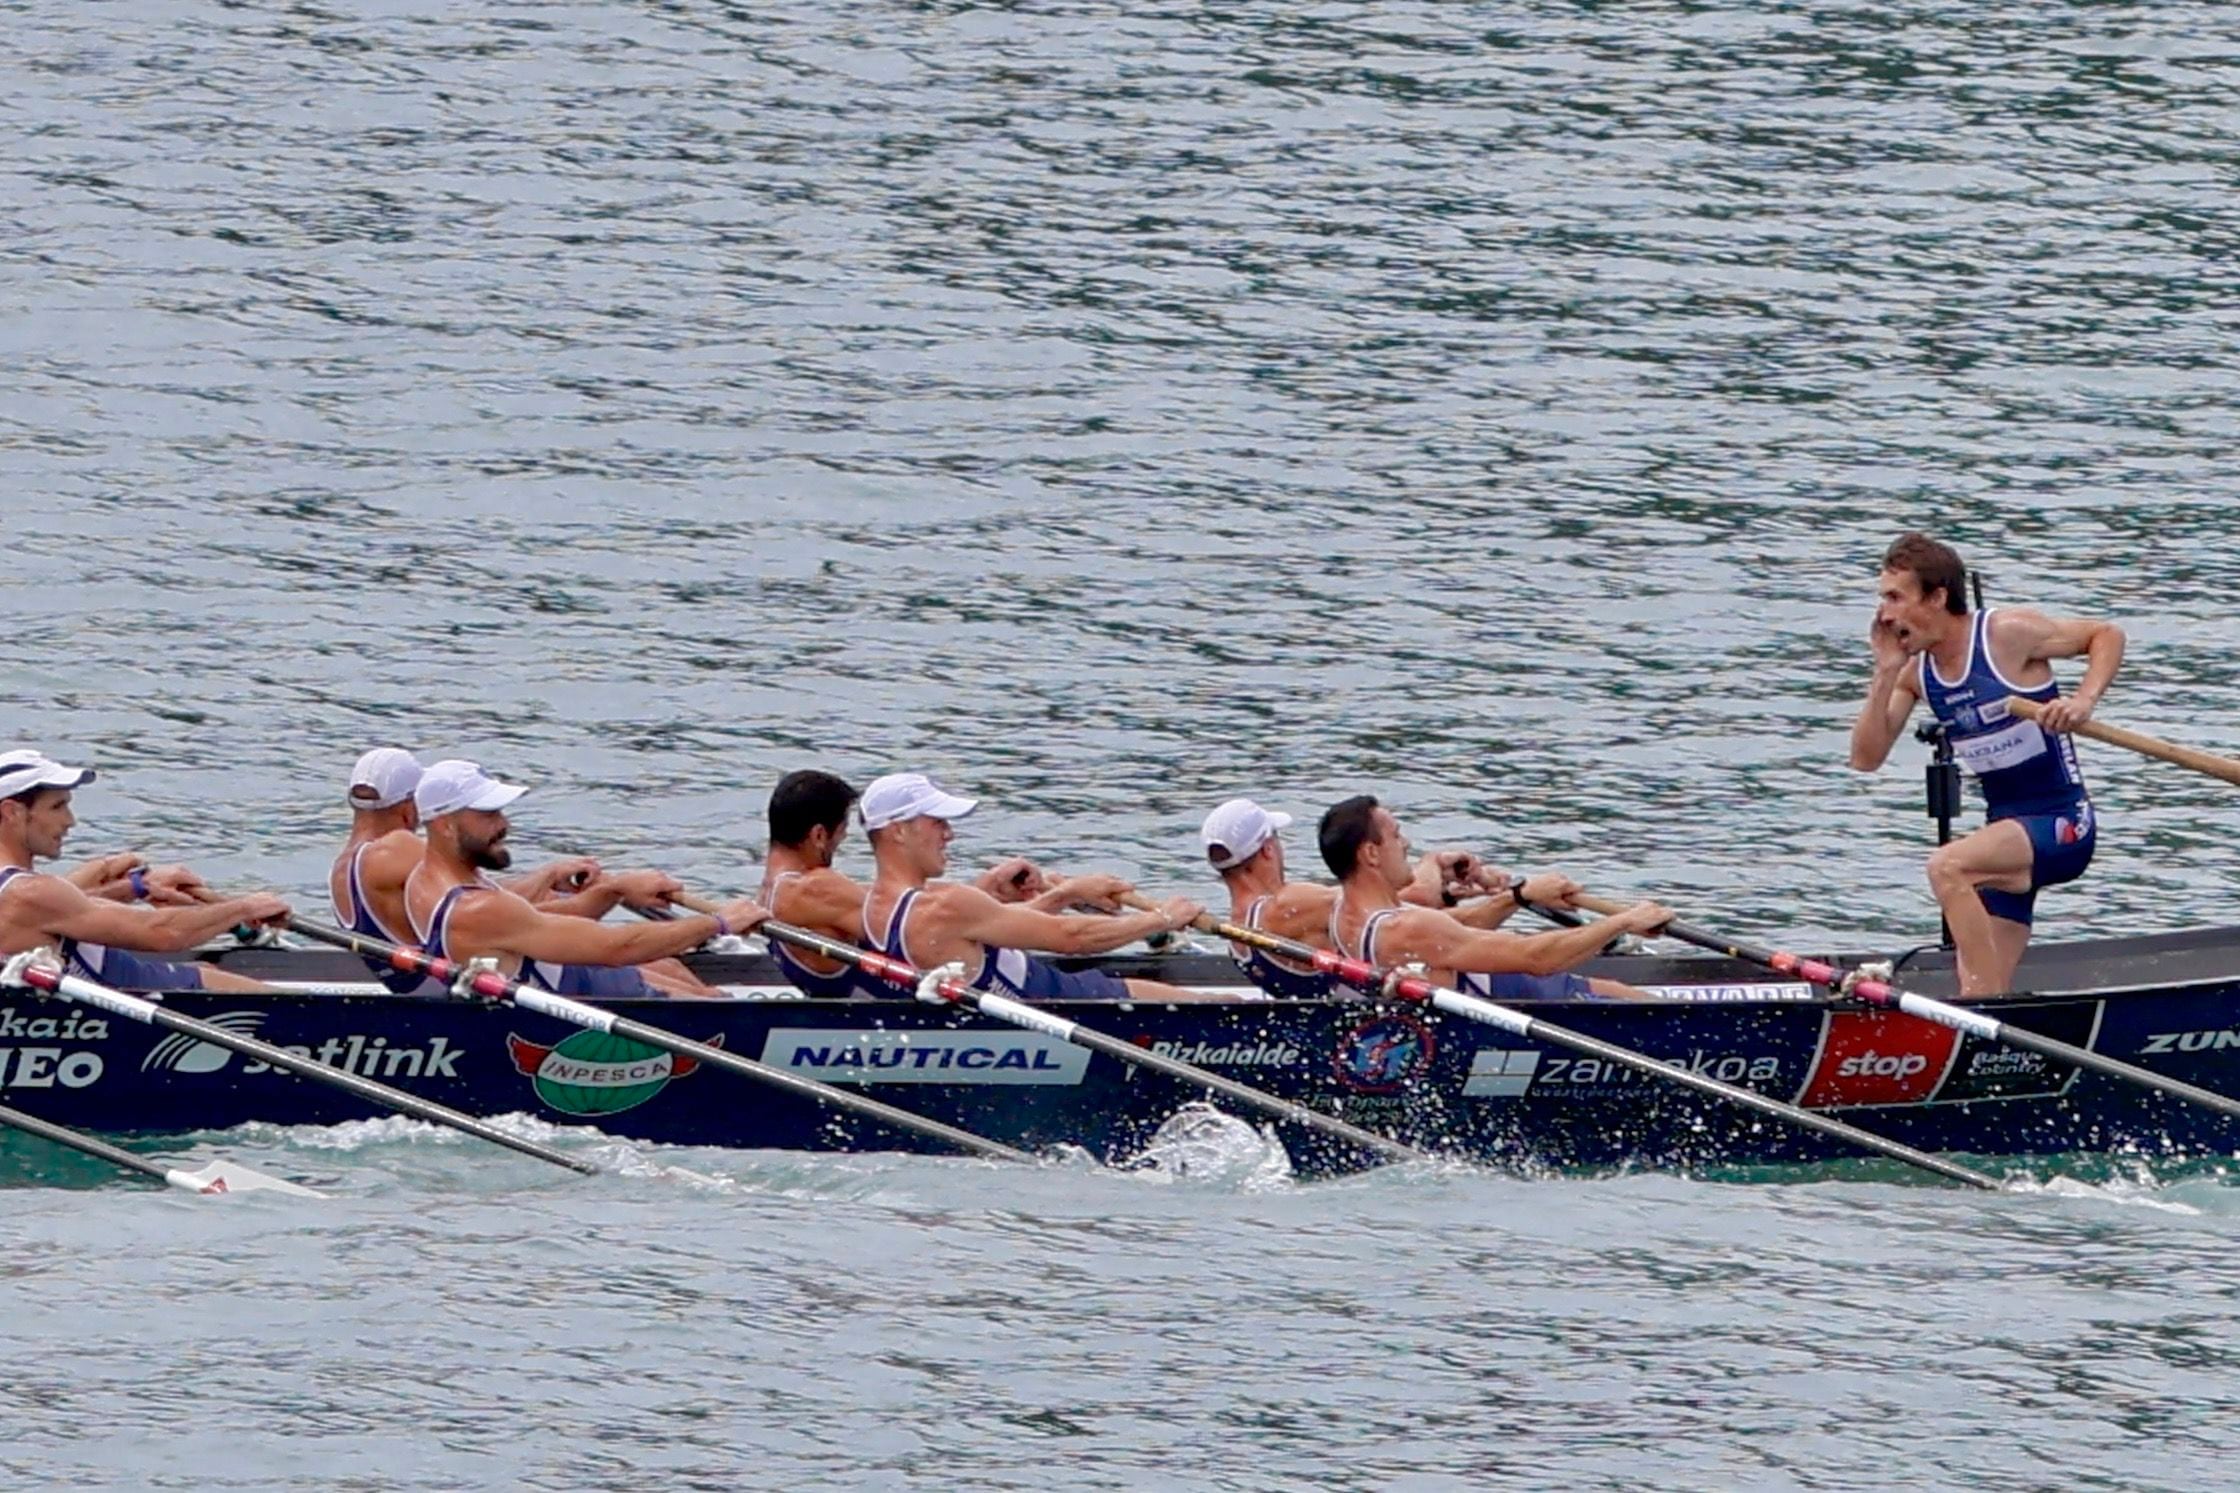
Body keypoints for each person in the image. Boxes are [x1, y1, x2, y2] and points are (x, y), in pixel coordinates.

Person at [1849, 532, 2125, 997]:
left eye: (1895, 597)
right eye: (1883, 598)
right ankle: (1982, 1023)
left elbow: (2105, 635)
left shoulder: (2005, 635)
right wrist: (1885, 671)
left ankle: (1970, 1012)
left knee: (1948, 866)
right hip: (2005, 832)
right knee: (1986, 995)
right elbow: (1865, 757)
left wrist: (2082, 701)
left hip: (2062, 824)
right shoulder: (1916, 674)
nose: (1885, 614)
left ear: (1937, 597)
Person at [759, 769, 1148, 999]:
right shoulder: (812, 889)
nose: (846, 842)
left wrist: (987, 892)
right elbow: (914, 922)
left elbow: (928, 918)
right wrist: (1065, 895)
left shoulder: (774, 892)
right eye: (844, 832)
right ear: (819, 836)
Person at [401, 760, 765, 999]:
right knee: (712, 1002)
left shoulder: (424, 877)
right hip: (579, 1003)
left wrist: (613, 889)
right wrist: (720, 922)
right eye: (488, 814)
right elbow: (615, 947)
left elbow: (536, 922)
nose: (504, 825)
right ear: (445, 825)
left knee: (668, 965)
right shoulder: (476, 908)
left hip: (565, 974)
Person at [858, 772, 1212, 1003]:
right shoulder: (947, 903)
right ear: (898, 832)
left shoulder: (870, 905)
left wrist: (1065, 894)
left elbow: (990, 923)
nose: (949, 833)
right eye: (937, 822)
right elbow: (1073, 937)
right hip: (1073, 1004)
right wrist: (1164, 918)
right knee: (1221, 1006)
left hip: (1048, 992)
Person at [329, 748, 652, 994]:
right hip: (445, 988)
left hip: (420, 980)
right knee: (648, 962)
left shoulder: (344, 865)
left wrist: (546, 877)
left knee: (650, 962)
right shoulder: (396, 849)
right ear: (409, 806)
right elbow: (472, 904)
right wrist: (592, 894)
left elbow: (475, 899)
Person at [1201, 797, 1590, 1000]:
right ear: (1268, 850)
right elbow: (1395, 897)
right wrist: (1433, 864)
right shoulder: (1286, 905)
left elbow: (1394, 897)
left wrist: (1442, 880)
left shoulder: (1239, 924)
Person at [1319, 795, 1667, 1001]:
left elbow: (1459, 926)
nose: (1406, 844)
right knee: (1639, 1000)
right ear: (1371, 854)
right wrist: (1624, 921)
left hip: (1521, 992)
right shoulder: (1407, 927)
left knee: (1614, 987)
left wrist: (1519, 896)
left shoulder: (1338, 911)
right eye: (1396, 836)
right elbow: (1537, 958)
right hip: (1546, 1005)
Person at [0, 750, 288, 993]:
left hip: (133, 982)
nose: (70, 821)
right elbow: (163, 934)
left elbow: (70, 905)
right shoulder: (31, 894)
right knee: (282, 1002)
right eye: (57, 807)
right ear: (11, 812)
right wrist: (243, 908)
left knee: (204, 968)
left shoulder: (24, 893)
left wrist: (133, 888)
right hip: (133, 1006)